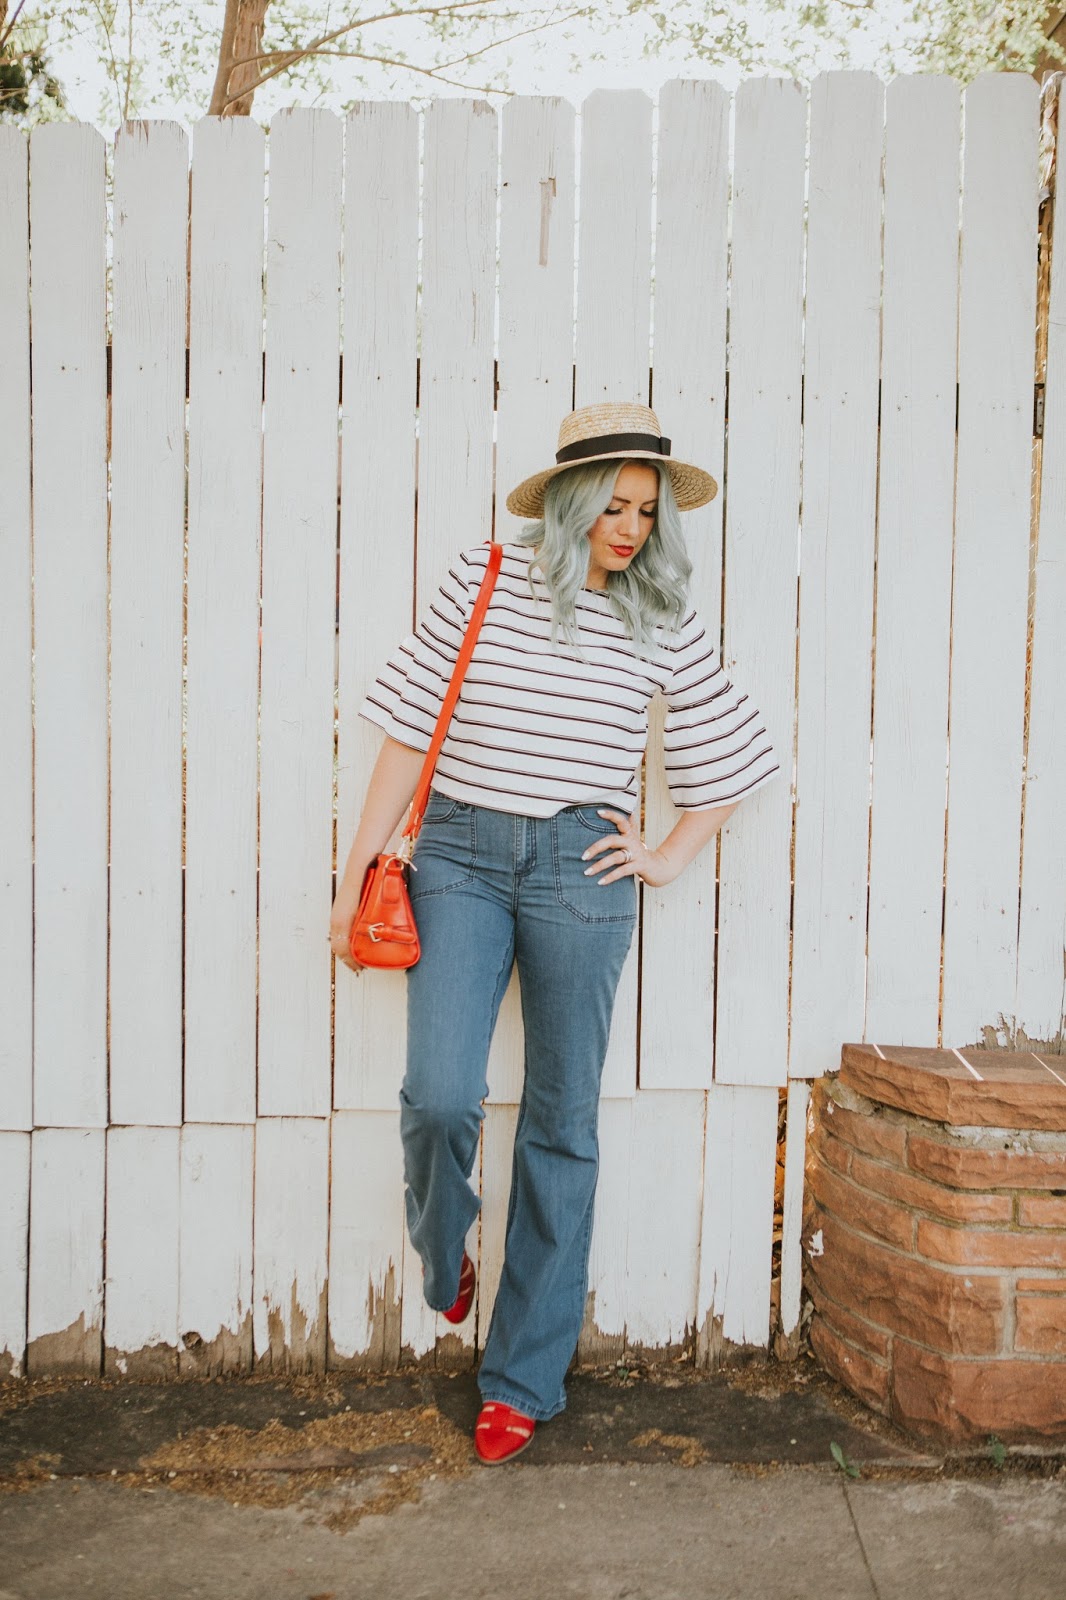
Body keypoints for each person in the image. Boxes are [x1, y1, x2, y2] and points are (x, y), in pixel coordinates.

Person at [328, 400, 781, 1464]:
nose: (629, 528)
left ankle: (521, 1375)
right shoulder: (484, 575)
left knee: (560, 1121)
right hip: (459, 859)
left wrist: (666, 852)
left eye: (646, 509)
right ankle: (449, 1258)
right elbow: (409, 723)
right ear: (572, 500)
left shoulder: (662, 611)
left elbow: (737, 746)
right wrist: (359, 863)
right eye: (613, 505)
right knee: (438, 1092)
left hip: (582, 869)